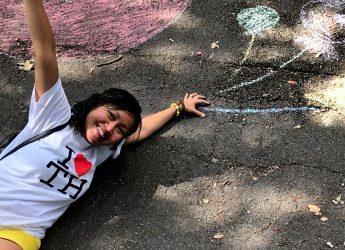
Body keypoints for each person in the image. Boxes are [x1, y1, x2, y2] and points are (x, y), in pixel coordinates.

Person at [0, 0, 209, 249]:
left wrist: (177, 108)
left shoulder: (104, 150)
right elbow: (44, 50)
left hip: (19, 232)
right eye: (110, 116)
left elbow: (139, 131)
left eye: (119, 129)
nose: (110, 129)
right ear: (93, 105)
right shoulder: (53, 117)